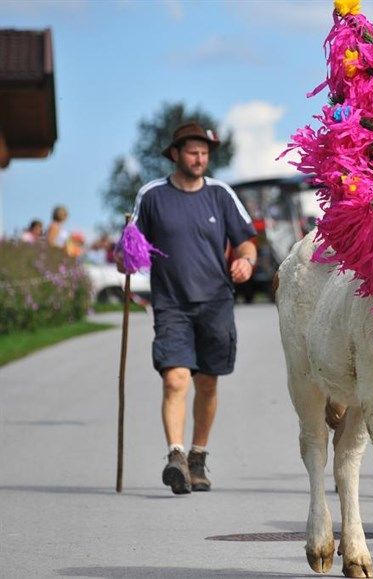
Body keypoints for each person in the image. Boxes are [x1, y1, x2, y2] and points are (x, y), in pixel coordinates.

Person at [116, 122, 257, 495]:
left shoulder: (221, 194)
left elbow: (246, 244)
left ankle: (197, 456)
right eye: (193, 152)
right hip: (171, 303)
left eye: (205, 153)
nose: (200, 158)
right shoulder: (152, 195)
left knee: (207, 382)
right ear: (175, 154)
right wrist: (125, 257)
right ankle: (175, 455)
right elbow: (128, 250)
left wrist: (246, 262)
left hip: (215, 302)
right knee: (175, 378)